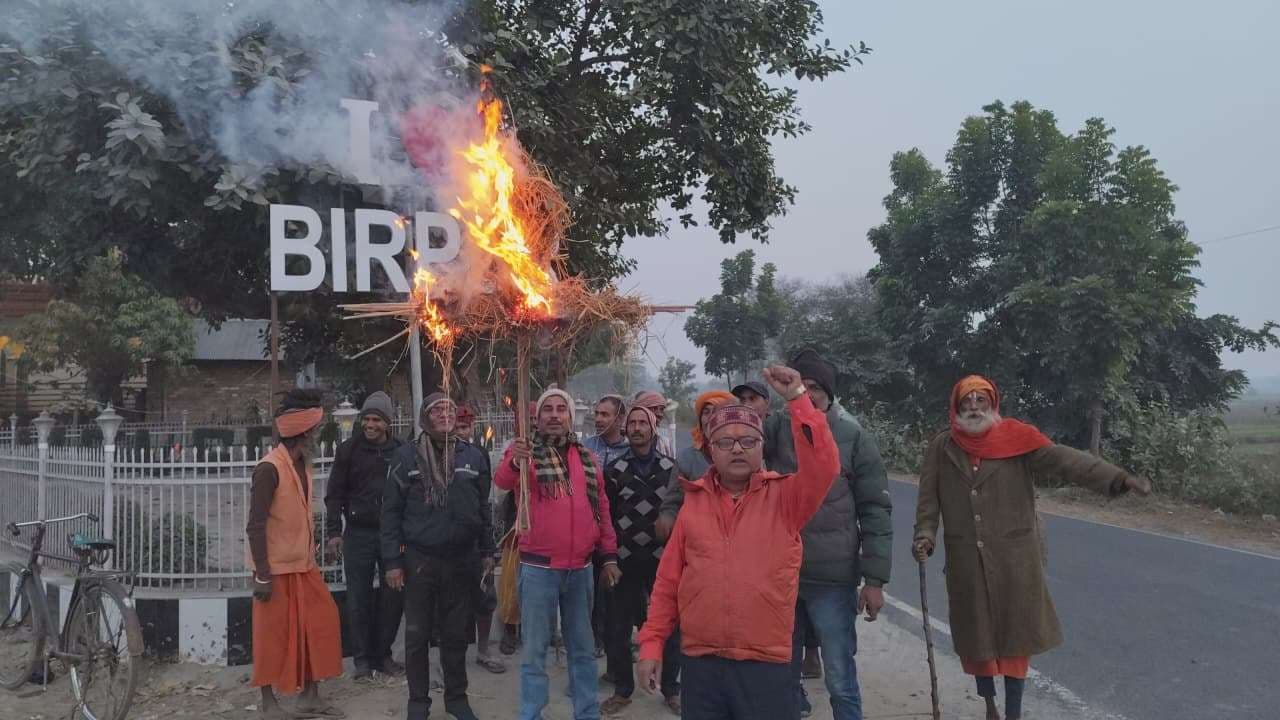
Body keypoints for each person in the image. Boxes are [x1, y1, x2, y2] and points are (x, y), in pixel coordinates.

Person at [912, 375, 1151, 720]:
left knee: (1016, 643)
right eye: (967, 401)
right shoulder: (942, 447)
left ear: (993, 404)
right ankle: (990, 706)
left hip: (1016, 561)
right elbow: (928, 500)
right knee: (977, 643)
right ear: (957, 406)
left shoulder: (1017, 439)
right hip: (966, 562)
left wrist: (1118, 478)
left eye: (981, 400)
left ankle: (1013, 713)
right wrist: (925, 535)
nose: (974, 407)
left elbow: (1066, 461)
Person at [636, 367, 839, 720]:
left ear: (762, 447)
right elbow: (668, 582)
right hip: (701, 665)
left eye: (748, 441)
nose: (737, 449)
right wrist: (652, 644)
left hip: (767, 665)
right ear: (710, 450)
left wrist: (798, 399)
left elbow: (824, 465)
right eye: (725, 442)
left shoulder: (786, 498)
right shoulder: (693, 505)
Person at [765, 349, 893, 720]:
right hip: (781, 577)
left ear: (829, 393)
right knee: (780, 675)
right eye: (799, 385)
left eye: (815, 387)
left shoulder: (853, 436)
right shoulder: (776, 429)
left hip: (833, 580)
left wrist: (875, 580)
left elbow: (875, 509)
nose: (807, 393)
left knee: (839, 676)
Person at [494, 388, 622, 720]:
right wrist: (515, 460)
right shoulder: (525, 453)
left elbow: (602, 509)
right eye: (547, 409)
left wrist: (608, 556)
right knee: (535, 652)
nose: (554, 414)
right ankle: (531, 714)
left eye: (560, 409)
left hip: (580, 570)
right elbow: (503, 480)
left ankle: (587, 713)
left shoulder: (587, 458)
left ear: (570, 417)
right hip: (538, 569)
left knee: (582, 650)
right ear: (537, 419)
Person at [382, 392, 496, 720]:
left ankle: (457, 700)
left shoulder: (473, 456)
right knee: (417, 635)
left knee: (456, 635)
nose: (445, 414)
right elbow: (390, 514)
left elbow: (483, 508)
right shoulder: (406, 457)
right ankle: (418, 704)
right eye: (437, 410)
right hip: (420, 561)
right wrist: (392, 562)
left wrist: (487, 550)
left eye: (449, 409)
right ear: (424, 418)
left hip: (462, 560)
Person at [246, 389, 344, 719]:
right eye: (314, 430)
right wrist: (262, 575)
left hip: (303, 566)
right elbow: (255, 525)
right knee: (271, 636)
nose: (317, 435)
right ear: (304, 433)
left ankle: (310, 697)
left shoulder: (302, 465)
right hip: (273, 570)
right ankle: (268, 705)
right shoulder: (268, 469)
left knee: (321, 623)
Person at [600, 405, 684, 716]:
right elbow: (607, 518)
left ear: (653, 428)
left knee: (671, 626)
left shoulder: (671, 469)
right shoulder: (614, 470)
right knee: (618, 627)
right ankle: (623, 689)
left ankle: (671, 689)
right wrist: (608, 558)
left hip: (664, 560)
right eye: (632, 423)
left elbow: (680, 512)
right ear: (626, 428)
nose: (637, 428)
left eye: (642, 423)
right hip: (624, 560)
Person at [323, 391, 405, 679]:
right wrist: (334, 532)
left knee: (393, 597)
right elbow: (334, 494)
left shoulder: (402, 451)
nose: (370, 425)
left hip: (393, 536)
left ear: (388, 423)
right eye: (366, 419)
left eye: (376, 420)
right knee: (358, 598)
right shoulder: (349, 451)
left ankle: (383, 655)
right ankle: (361, 661)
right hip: (358, 534)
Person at [453, 403, 506, 675]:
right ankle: (451, 657)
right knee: (450, 601)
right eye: (457, 427)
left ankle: (484, 649)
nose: (461, 432)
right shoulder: (432, 453)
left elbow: (484, 501)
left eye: (465, 427)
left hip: (475, 538)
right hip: (445, 541)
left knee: (485, 595)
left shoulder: (479, 454)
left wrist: (488, 546)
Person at [654, 389, 735, 541]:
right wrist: (667, 517)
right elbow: (672, 502)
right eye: (706, 412)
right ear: (700, 420)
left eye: (717, 411)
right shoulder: (686, 459)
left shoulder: (742, 454)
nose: (711, 417)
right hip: (699, 541)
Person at [583, 395, 631, 468]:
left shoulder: (629, 451)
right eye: (596, 414)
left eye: (604, 415)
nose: (597, 419)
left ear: (620, 419)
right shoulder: (586, 445)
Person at [632, 390, 675, 457]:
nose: (659, 414)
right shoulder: (627, 441)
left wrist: (671, 422)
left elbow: (671, 461)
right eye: (654, 408)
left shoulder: (664, 443)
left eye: (662, 409)